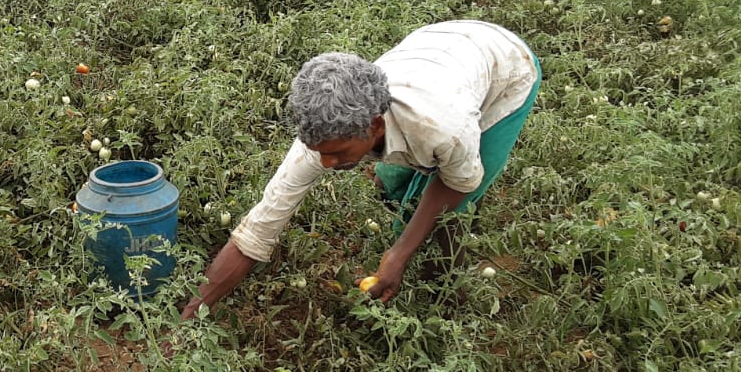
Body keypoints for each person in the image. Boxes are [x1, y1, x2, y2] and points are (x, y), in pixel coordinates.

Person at [182, 20, 540, 319]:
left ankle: (448, 293)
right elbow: (258, 230)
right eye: (320, 154)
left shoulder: (445, 127)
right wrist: (195, 309)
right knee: (400, 189)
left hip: (506, 70)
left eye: (337, 154)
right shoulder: (322, 135)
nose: (326, 164)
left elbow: (459, 183)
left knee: (451, 208)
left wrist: (399, 254)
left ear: (374, 126)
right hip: (436, 46)